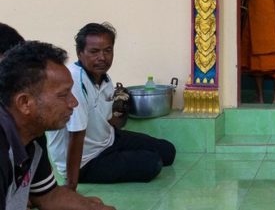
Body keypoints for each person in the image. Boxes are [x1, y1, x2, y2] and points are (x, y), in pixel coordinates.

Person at [46, 23, 175, 190]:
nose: (102, 57)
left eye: (107, 50)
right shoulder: (74, 81)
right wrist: (71, 185)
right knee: (153, 163)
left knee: (168, 151)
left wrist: (123, 109)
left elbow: (108, 122)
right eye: (94, 52)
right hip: (86, 162)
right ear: (80, 53)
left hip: (108, 141)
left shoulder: (105, 80)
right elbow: (76, 134)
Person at [0, 40, 115, 210]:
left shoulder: (33, 136)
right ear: (25, 103)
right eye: (63, 95)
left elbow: (48, 195)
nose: (74, 103)